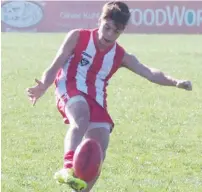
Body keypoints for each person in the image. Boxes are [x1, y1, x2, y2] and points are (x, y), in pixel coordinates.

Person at [27, 1, 192, 192]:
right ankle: (67, 167)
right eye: (107, 28)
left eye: (116, 31)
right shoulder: (77, 37)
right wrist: (43, 86)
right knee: (81, 116)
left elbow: (149, 72)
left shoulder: (120, 55)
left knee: (99, 147)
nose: (109, 35)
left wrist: (175, 82)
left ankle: (81, 190)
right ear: (100, 20)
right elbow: (56, 64)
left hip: (96, 98)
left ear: (122, 31)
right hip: (69, 86)